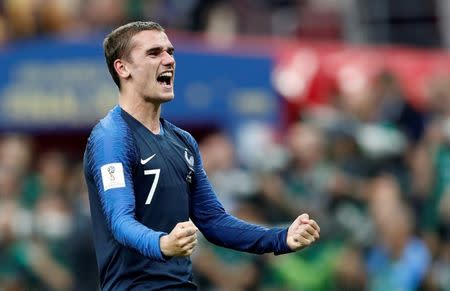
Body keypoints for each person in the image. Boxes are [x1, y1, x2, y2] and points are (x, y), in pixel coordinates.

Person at [83, 21, 320, 291]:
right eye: (154, 53)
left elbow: (214, 221)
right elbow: (120, 220)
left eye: (169, 52)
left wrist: (280, 237)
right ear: (122, 68)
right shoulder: (111, 138)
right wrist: (162, 244)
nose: (168, 60)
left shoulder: (183, 142)